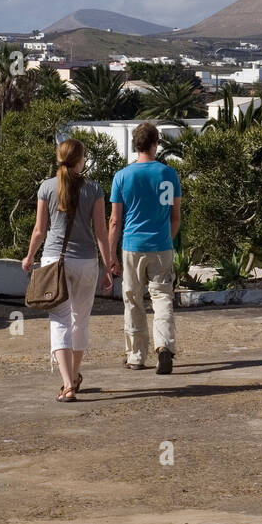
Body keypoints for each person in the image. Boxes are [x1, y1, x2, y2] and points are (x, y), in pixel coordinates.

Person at [22, 137, 114, 402]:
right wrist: (108, 266)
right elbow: (100, 231)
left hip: (54, 261)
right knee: (80, 321)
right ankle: (73, 376)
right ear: (80, 160)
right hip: (86, 263)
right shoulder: (94, 188)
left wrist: (29, 257)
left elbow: (40, 230)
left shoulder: (46, 187)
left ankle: (68, 384)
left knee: (59, 321)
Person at [108, 121, 181, 374]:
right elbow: (175, 216)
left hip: (132, 246)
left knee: (132, 300)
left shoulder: (122, 176)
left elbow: (115, 220)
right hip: (161, 245)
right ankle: (164, 347)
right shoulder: (169, 174)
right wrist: (167, 240)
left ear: (135, 145)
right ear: (154, 144)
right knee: (162, 297)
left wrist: (110, 254)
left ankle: (136, 355)